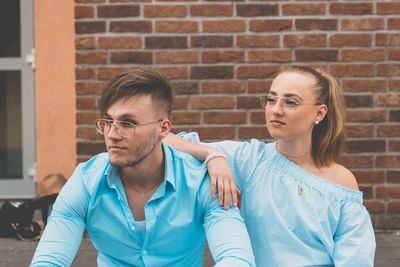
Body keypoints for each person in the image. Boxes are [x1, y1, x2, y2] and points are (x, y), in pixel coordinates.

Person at [30, 67, 255, 267]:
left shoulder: (201, 183)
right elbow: (49, 260)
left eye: (127, 123)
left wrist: (212, 156)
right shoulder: (86, 182)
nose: (112, 134)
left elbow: (237, 258)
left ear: (163, 128)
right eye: (108, 122)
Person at [164, 66, 376, 266]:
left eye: (291, 102)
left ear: (319, 113)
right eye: (271, 99)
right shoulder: (250, 160)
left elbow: (356, 259)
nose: (275, 110)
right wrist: (211, 155)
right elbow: (161, 138)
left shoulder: (341, 183)